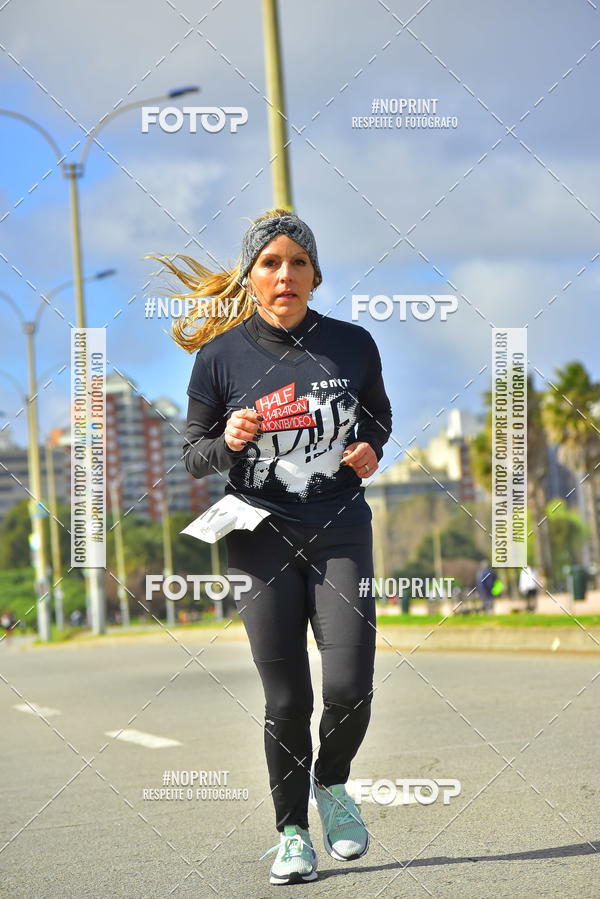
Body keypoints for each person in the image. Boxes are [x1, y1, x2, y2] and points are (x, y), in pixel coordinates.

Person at [153, 208, 392, 885]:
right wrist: (228, 440)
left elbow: (378, 415)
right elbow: (193, 455)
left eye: (297, 262)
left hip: (340, 525)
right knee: (287, 698)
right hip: (258, 534)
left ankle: (332, 784)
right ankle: (291, 833)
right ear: (251, 276)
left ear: (315, 274)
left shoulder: (353, 344)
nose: (284, 274)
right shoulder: (219, 358)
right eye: (270, 263)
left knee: (350, 684)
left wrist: (370, 447)